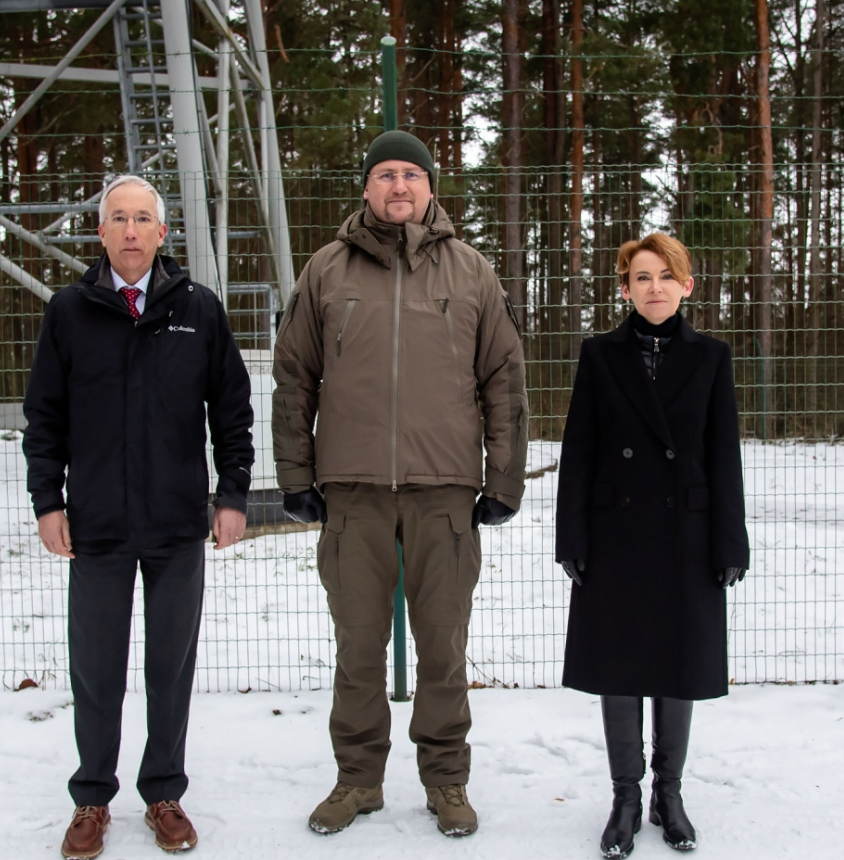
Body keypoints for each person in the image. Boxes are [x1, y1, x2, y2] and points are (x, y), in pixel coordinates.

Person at [271, 130, 529, 838]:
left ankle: (446, 780)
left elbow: (503, 380)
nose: (398, 186)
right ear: (366, 187)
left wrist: (502, 477)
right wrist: (296, 473)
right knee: (358, 646)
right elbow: (293, 376)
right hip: (350, 491)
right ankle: (357, 779)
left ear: (430, 187)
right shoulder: (325, 271)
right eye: (384, 174)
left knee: (442, 646)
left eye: (411, 174)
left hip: (443, 491)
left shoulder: (471, 271)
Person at [23, 174, 255, 858]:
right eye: (118, 219)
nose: (130, 231)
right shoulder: (69, 312)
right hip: (96, 525)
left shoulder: (199, 310)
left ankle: (163, 793)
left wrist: (233, 494)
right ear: (100, 233)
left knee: (169, 667)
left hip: (177, 523)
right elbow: (45, 418)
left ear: (162, 233)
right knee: (95, 667)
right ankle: (92, 799)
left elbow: (233, 413)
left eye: (143, 219)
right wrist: (48, 502)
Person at [554, 233, 749, 857]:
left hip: (686, 537)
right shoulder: (599, 355)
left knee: (679, 664)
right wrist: (572, 537)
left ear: (687, 286)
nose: (655, 287)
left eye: (667, 276)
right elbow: (578, 454)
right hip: (617, 535)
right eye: (642, 277)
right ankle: (625, 796)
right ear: (624, 287)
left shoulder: (712, 358)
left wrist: (730, 541)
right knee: (618, 665)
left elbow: (724, 457)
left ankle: (670, 793)